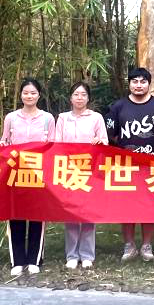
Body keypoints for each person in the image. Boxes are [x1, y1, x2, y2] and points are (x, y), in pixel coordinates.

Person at [105, 67, 154, 262]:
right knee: (126, 205)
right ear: (129, 84)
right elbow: (112, 134)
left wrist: (149, 148)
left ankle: (147, 245)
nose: (139, 85)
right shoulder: (118, 107)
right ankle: (129, 245)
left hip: (150, 164)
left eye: (143, 82)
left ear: (149, 84)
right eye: (135, 81)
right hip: (125, 165)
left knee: (149, 204)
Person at [0, 78, 55, 277]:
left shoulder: (48, 118)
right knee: (15, 214)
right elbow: (4, 141)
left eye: (33, 93)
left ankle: (34, 259)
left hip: (39, 174)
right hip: (15, 173)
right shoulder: (11, 118)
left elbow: (53, 146)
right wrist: (3, 147)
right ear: (21, 95)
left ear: (39, 95)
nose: (29, 96)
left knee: (37, 216)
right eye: (26, 93)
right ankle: (18, 260)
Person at [54, 81, 108, 270]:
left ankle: (86, 255)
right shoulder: (62, 118)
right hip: (68, 171)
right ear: (70, 98)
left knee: (87, 214)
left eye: (83, 94)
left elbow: (105, 142)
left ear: (88, 98)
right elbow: (57, 144)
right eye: (76, 94)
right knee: (70, 213)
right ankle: (71, 254)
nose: (79, 98)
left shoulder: (96, 118)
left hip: (89, 171)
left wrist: (99, 141)